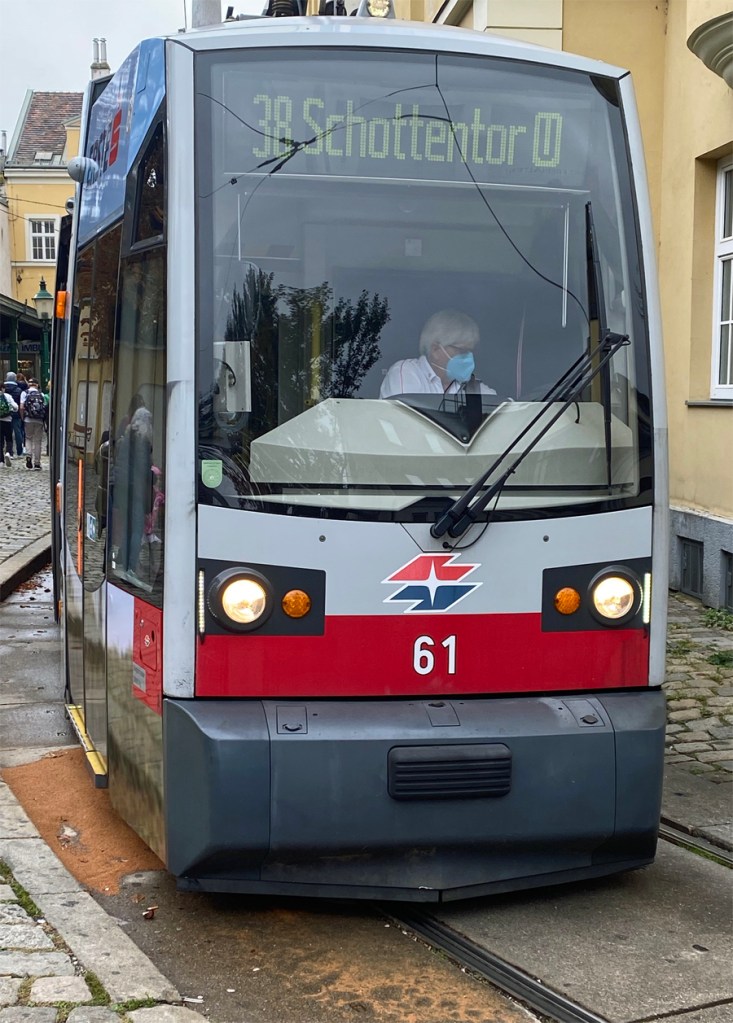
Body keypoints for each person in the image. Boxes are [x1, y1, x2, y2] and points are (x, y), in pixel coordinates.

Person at [380, 309, 496, 398]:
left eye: (471, 351)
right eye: (462, 351)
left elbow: (501, 410)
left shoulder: (472, 387)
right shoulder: (406, 373)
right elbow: (406, 419)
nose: (469, 357)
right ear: (435, 349)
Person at [19, 378, 47, 469]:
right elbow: (44, 407)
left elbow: (21, 407)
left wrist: (22, 417)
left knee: (28, 438)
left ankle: (29, 456)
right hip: (39, 420)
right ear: (37, 385)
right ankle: (37, 463)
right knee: (38, 441)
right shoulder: (41, 394)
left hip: (28, 419)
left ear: (29, 384)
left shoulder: (25, 393)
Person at [3, 371, 24, 458]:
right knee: (18, 432)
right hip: (16, 414)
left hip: (5, 414)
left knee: (7, 433)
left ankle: (9, 451)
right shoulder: (19, 390)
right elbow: (20, 403)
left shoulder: (3, 389)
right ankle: (19, 451)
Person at [0, 383, 18, 466]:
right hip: (7, 420)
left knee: (0, 441)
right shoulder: (7, 396)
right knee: (9, 438)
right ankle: (8, 452)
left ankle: (1, 460)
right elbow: (15, 407)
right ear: (3, 388)